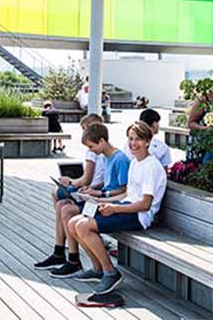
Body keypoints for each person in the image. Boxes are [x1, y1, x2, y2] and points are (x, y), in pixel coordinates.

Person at [67, 121, 167, 294]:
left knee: (83, 225)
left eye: (138, 140)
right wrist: (103, 201)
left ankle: (110, 272)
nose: (133, 144)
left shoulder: (151, 166)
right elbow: (127, 195)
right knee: (73, 222)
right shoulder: (136, 162)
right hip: (126, 206)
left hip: (139, 215)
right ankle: (98, 269)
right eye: (130, 139)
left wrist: (114, 208)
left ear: (148, 142)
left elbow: (145, 204)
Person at [49, 123, 130, 279]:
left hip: (110, 203)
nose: (91, 151)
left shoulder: (120, 159)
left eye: (92, 147)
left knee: (67, 211)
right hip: (99, 198)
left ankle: (77, 262)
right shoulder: (106, 157)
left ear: (102, 141)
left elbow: (123, 190)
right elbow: (107, 183)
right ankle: (78, 260)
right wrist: (90, 189)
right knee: (61, 204)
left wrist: (99, 193)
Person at [33, 113, 106, 271]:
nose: (84, 135)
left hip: (94, 196)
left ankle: (70, 256)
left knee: (62, 203)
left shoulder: (94, 151)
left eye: (86, 130)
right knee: (62, 204)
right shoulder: (101, 151)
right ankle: (62, 251)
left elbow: (87, 180)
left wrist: (72, 182)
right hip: (92, 191)